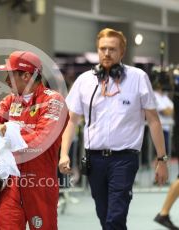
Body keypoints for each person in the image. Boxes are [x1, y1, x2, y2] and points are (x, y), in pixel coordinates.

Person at [59, 28, 169, 230]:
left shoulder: (138, 77)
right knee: (104, 214)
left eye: (112, 49)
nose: (106, 53)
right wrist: (64, 153)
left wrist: (161, 159)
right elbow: (71, 120)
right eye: (102, 49)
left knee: (115, 217)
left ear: (122, 52)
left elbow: (153, 120)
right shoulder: (85, 81)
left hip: (124, 159)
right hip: (94, 160)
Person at [0, 51, 68, 229]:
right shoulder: (11, 100)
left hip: (40, 184)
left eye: (10, 74)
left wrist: (1, 143)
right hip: (11, 185)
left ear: (26, 75)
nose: (6, 80)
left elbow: (41, 140)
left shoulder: (54, 101)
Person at [153, 82, 174, 154]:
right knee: (159, 151)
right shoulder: (154, 95)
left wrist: (168, 110)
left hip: (167, 127)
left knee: (166, 150)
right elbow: (165, 112)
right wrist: (167, 110)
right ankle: (157, 164)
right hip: (159, 127)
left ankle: (163, 163)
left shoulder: (165, 96)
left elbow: (172, 110)